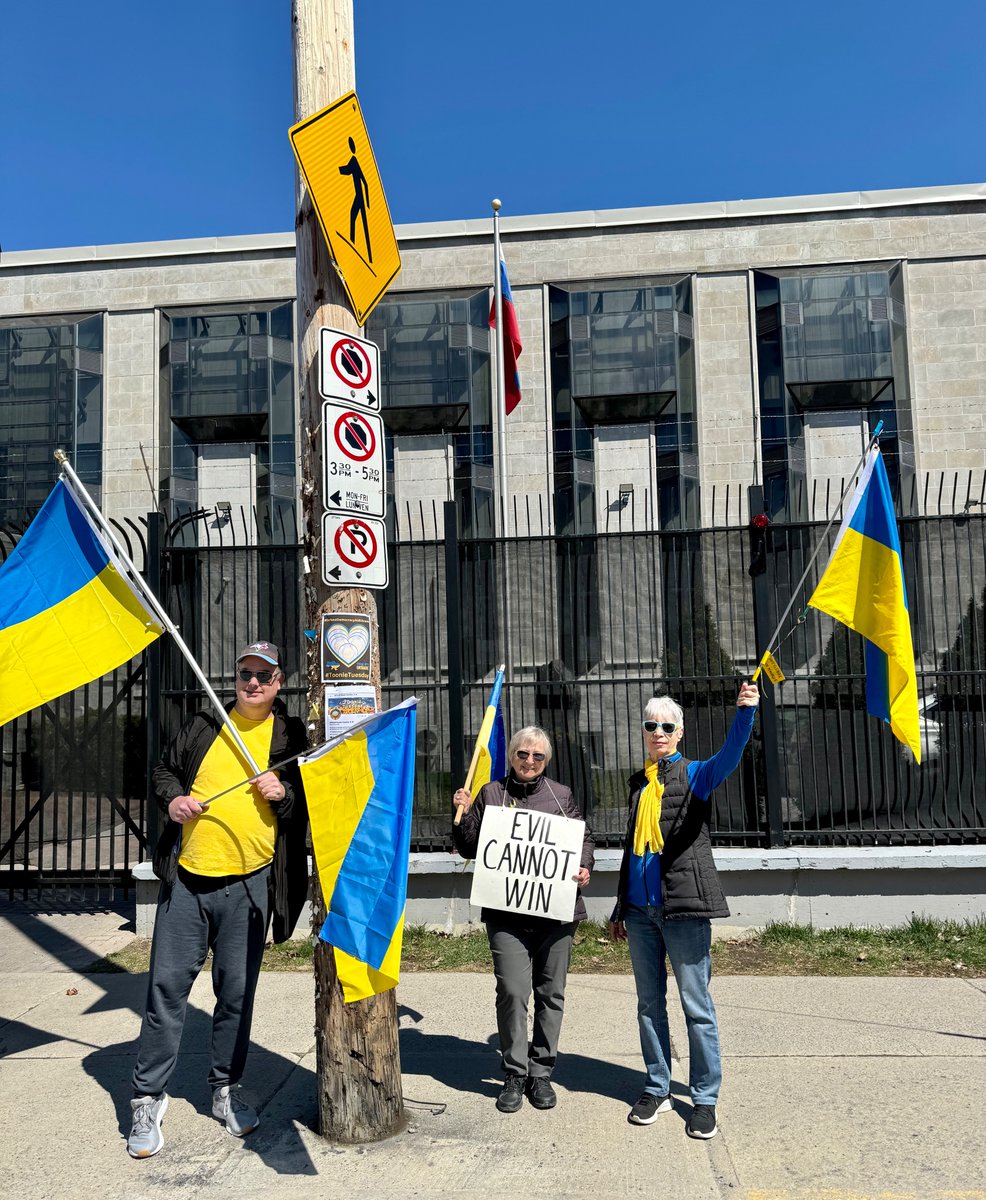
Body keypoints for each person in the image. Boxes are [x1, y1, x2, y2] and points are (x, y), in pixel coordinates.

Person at [126, 641, 308, 1159]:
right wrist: (174, 800)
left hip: (250, 883)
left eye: (264, 675)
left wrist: (283, 794)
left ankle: (225, 1089)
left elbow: (306, 806)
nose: (253, 683)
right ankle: (147, 1097)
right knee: (165, 993)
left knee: (235, 996)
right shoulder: (205, 722)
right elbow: (164, 771)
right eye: (246, 673)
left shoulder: (289, 736)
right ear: (236, 678)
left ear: (279, 683)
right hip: (188, 880)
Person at [609, 682, 760, 1140]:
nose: (658, 732)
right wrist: (620, 906)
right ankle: (656, 1085)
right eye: (651, 725)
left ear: (679, 733)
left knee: (697, 1006)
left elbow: (730, 757)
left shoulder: (695, 774)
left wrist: (745, 714)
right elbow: (634, 854)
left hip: (683, 911)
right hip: (640, 913)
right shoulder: (640, 783)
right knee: (648, 1005)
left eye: (666, 726)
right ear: (644, 732)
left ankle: (704, 1098)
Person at [452, 726, 594, 1114]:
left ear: (546, 761)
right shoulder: (491, 794)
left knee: (551, 994)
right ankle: (514, 1072)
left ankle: (541, 1072)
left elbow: (584, 838)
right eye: (523, 754)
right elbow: (467, 846)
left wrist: (583, 866)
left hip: (556, 913)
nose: (529, 761)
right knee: (513, 991)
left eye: (538, 756)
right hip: (507, 914)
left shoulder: (561, 796)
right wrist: (462, 813)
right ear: (511, 755)